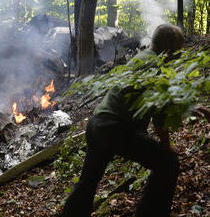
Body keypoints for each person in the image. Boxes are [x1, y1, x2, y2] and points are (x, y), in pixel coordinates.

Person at [63, 24, 186, 217]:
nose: (180, 51)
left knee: (88, 181)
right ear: (169, 44)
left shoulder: (142, 57)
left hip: (97, 124)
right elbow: (160, 114)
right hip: (115, 128)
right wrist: (166, 146)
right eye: (179, 46)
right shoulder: (158, 66)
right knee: (168, 163)